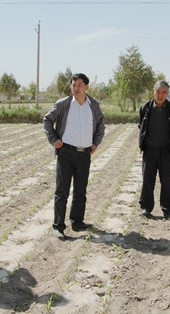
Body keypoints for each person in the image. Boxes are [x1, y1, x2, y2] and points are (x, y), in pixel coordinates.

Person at [43, 73, 105, 240]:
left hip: (85, 153)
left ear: (87, 87)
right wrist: (54, 139)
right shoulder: (63, 104)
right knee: (62, 191)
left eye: (80, 85)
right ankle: (58, 226)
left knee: (80, 190)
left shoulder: (93, 105)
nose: (76, 88)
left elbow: (100, 125)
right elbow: (47, 120)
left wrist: (95, 143)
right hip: (66, 153)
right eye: (73, 85)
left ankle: (77, 222)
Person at [138, 80, 170, 218]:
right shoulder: (145, 108)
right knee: (147, 179)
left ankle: (167, 207)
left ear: (167, 93)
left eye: (164, 92)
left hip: (166, 149)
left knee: (166, 179)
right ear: (153, 91)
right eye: (158, 91)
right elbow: (141, 125)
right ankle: (146, 207)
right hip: (149, 149)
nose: (160, 95)